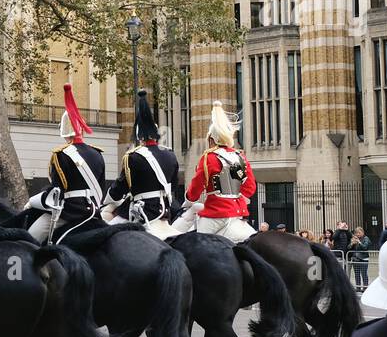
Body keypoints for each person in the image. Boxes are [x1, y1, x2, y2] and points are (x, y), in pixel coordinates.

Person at [25, 83, 106, 242]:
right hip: (93, 212)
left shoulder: (60, 155)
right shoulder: (97, 154)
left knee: (31, 237)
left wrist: (33, 201)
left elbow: (56, 192)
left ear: (63, 131)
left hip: (70, 212)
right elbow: (101, 188)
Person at [102, 89, 179, 239]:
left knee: (106, 237)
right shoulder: (170, 155)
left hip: (142, 214)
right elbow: (174, 185)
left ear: (139, 137)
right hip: (164, 212)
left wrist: (109, 199)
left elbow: (120, 189)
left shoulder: (133, 157)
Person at [175, 101, 257, 241]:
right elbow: (250, 188)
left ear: (211, 139)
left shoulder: (209, 157)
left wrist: (189, 198)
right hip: (238, 213)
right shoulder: (240, 156)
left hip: (215, 214)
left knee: (195, 247)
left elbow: (195, 188)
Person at [348, 226, 371, 291]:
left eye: (359, 233)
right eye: (356, 233)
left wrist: (359, 242)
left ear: (363, 232)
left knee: (364, 274)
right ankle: (358, 287)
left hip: (363, 259)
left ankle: (365, 287)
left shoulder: (366, 239)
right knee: (357, 274)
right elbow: (348, 248)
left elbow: (365, 247)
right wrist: (352, 243)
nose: (358, 234)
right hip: (355, 259)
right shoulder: (354, 239)